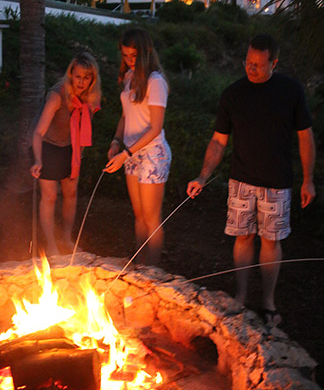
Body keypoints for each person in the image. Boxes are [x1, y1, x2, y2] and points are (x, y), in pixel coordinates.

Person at [187, 33, 316, 326]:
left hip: (277, 183)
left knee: (270, 241)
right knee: (242, 237)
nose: (251, 69)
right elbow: (219, 141)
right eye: (248, 62)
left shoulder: (290, 91)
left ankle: (268, 301)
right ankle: (242, 295)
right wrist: (203, 175)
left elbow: (305, 137)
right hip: (241, 181)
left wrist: (308, 179)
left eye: (259, 64)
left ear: (274, 62)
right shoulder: (233, 94)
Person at [104, 28, 171, 266]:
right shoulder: (130, 78)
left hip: (152, 154)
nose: (129, 60)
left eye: (133, 55)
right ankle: (140, 266)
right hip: (130, 153)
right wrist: (115, 141)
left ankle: (153, 273)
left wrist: (126, 153)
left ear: (145, 52)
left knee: (152, 218)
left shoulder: (156, 82)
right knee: (139, 215)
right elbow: (126, 116)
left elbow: (155, 128)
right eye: (125, 55)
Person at [30, 52, 101, 256]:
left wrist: (78, 158)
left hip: (70, 147)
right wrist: (37, 159)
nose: (81, 82)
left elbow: (82, 132)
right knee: (50, 196)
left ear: (92, 79)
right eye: (77, 76)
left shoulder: (90, 98)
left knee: (70, 194)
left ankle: (66, 238)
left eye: (86, 77)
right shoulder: (56, 96)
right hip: (46, 146)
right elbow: (38, 131)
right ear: (71, 75)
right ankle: (51, 244)